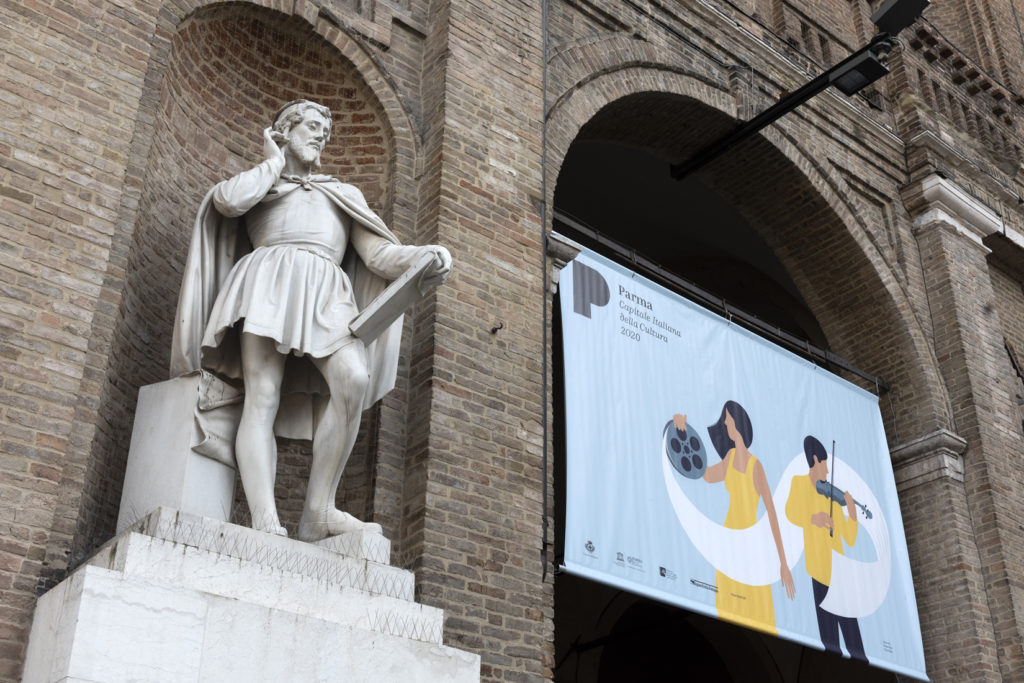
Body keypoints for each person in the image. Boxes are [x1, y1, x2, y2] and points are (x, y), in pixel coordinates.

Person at [169, 100, 451, 541]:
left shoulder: (342, 193)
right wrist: (272, 159)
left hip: (326, 289)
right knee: (262, 395)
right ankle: (264, 516)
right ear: (286, 130)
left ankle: (318, 511)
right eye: (313, 127)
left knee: (353, 378)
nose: (322, 136)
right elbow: (227, 203)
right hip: (268, 280)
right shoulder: (263, 183)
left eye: (326, 131)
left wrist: (422, 255)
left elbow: (378, 255)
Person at [673, 401, 795, 635]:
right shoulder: (729, 457)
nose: (726, 424)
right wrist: (683, 433)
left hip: (750, 543)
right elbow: (706, 475)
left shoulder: (755, 466)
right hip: (729, 541)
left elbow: (772, 514)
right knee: (728, 607)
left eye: (728, 420)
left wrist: (783, 563)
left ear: (737, 425)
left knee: (756, 609)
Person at [785, 435, 867, 662]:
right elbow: (790, 511)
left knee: (854, 641)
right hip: (818, 571)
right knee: (829, 640)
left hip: (839, 573)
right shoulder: (799, 483)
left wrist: (852, 513)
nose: (828, 472)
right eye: (824, 465)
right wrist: (814, 517)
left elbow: (849, 539)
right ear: (814, 459)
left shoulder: (833, 497)